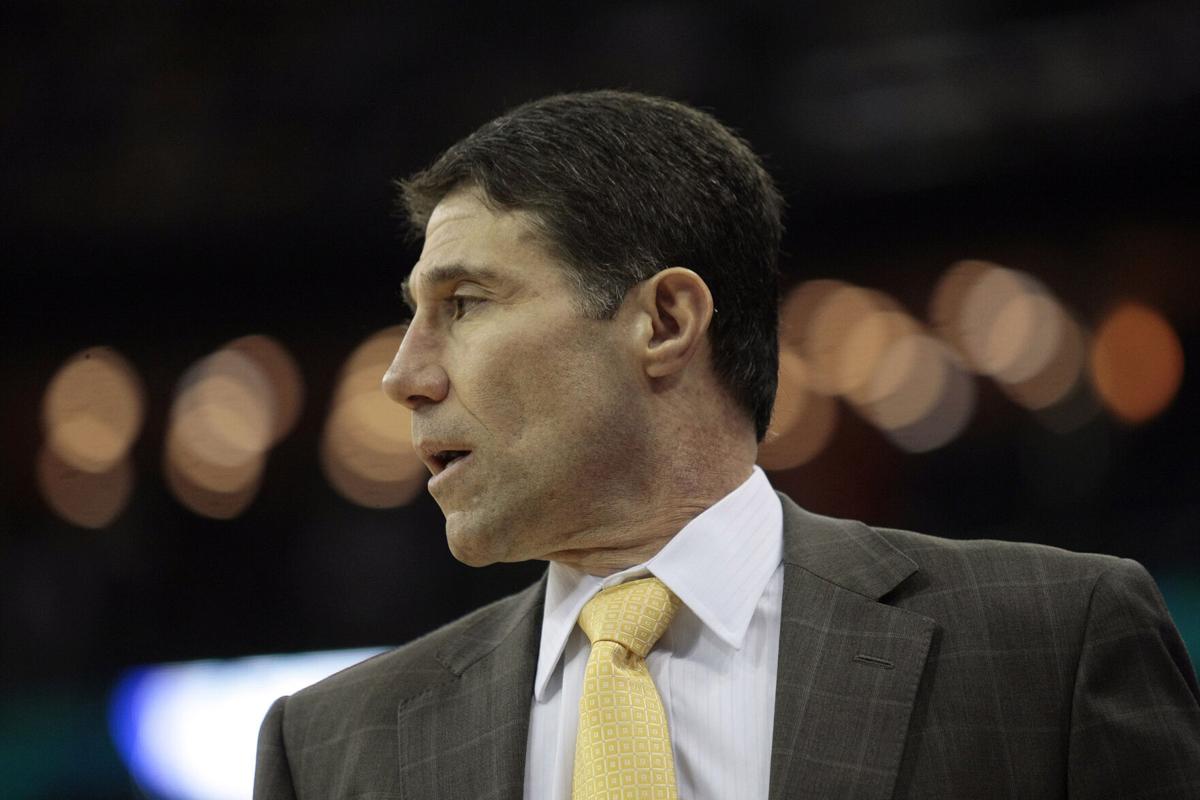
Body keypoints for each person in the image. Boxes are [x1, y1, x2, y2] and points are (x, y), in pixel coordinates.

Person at [253, 90, 1200, 799]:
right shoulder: (334, 749)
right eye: (412, 315)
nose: (401, 374)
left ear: (665, 320)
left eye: (462, 305)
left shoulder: (1049, 643)